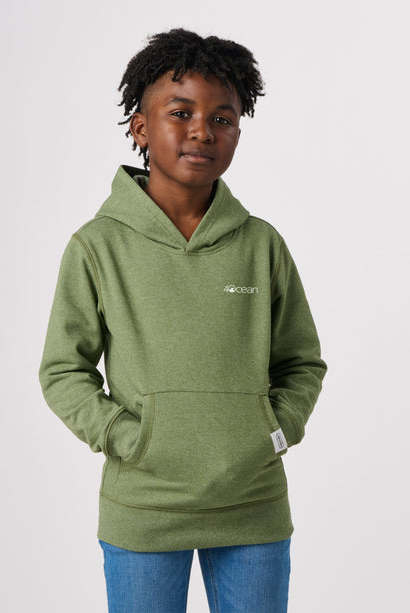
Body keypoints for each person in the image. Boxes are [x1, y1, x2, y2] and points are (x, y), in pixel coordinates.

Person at [39, 28, 327, 613]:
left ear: (238, 132)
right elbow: (63, 370)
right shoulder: (97, 246)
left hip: (252, 506)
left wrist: (274, 430)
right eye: (181, 113)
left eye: (223, 118)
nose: (203, 130)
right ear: (140, 128)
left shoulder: (261, 245)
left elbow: (302, 362)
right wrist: (126, 437)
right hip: (144, 505)